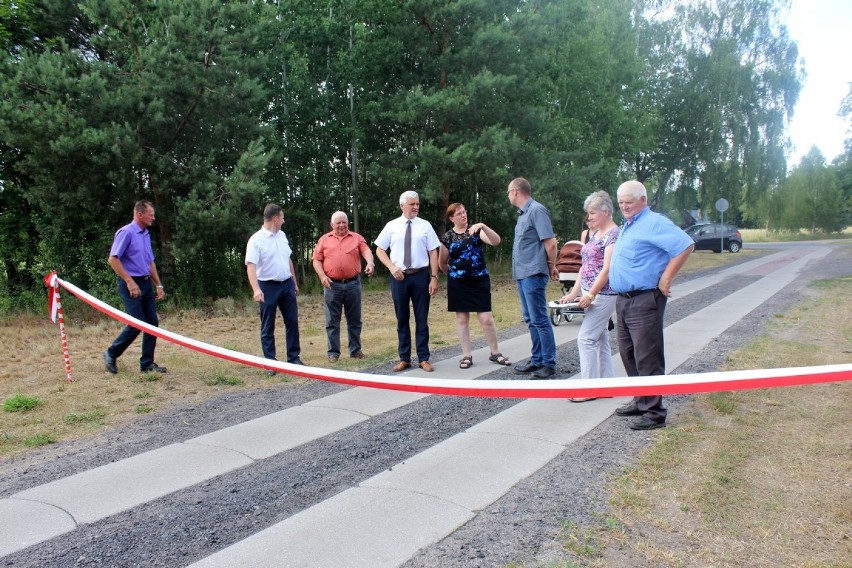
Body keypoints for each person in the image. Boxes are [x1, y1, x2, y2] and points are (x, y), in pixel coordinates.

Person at [609, 180, 694, 430]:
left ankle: (655, 412)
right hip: (623, 300)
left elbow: (685, 244)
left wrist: (666, 277)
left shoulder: (654, 222)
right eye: (621, 202)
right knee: (629, 353)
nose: (624, 207)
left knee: (648, 355)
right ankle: (640, 399)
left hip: (645, 298)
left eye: (629, 202)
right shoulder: (630, 224)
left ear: (643, 200)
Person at [558, 190, 620, 401]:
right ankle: (606, 385)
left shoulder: (614, 234)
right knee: (601, 338)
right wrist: (573, 294)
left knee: (585, 339)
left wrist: (591, 295)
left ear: (606, 212)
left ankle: (589, 389)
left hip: (604, 293)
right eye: (588, 213)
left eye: (592, 213)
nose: (589, 217)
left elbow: (607, 269)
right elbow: (585, 267)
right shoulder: (594, 233)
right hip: (590, 291)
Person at [438, 202, 512, 369]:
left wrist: (483, 226)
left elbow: (496, 241)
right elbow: (442, 263)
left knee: (486, 318)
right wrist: (455, 273)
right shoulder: (448, 237)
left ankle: (495, 352)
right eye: (459, 214)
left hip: (479, 280)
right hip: (458, 283)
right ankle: (466, 355)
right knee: (462, 318)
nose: (463, 215)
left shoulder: (476, 230)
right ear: (451, 218)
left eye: (464, 212)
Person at [375, 191, 441, 372]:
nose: (416, 207)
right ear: (402, 206)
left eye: (417, 204)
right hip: (399, 277)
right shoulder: (392, 226)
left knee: (421, 318)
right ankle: (404, 358)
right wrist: (391, 267)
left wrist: (434, 277)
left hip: (421, 276)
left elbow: (433, 252)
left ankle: (423, 358)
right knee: (402, 318)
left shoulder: (425, 226)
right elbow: (380, 250)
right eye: (412, 204)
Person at [103, 200, 167, 374]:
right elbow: (113, 259)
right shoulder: (126, 233)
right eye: (151, 215)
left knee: (152, 323)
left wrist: (158, 284)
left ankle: (147, 364)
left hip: (146, 283)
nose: (153, 218)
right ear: (140, 214)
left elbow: (150, 262)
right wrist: (129, 281)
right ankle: (111, 353)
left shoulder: (145, 234)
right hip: (130, 283)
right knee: (136, 323)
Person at [507, 177, 559, 380]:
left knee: (539, 318)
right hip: (522, 273)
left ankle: (548, 363)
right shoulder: (522, 214)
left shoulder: (537, 210)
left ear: (516, 192)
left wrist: (551, 266)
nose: (508, 196)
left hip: (533, 273)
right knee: (530, 318)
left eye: (508, 192)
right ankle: (537, 358)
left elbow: (551, 242)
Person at [245, 203, 303, 373]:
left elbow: (288, 259)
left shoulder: (282, 236)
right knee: (268, 325)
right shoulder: (256, 240)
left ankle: (294, 358)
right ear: (275, 218)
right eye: (282, 218)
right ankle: (271, 363)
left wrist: (294, 281)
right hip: (267, 286)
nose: (284, 221)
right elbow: (251, 266)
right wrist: (256, 289)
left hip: (286, 285)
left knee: (292, 322)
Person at [311, 211, 376, 362]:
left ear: (348, 223)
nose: (341, 225)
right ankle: (333, 352)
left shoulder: (356, 238)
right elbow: (316, 260)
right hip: (332, 285)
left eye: (344, 222)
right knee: (332, 321)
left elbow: (366, 250)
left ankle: (355, 350)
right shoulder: (324, 240)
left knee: (354, 319)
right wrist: (322, 276)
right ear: (332, 225)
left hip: (353, 284)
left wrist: (370, 262)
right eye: (338, 223)